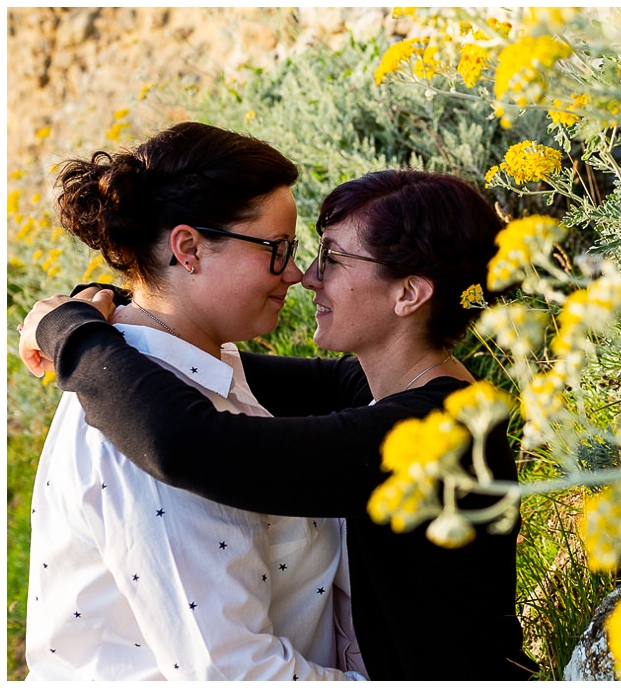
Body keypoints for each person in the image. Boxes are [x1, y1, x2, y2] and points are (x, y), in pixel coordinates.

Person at [19, 169, 537, 680]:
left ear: (408, 295)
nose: (307, 275)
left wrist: (70, 335)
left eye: (332, 258)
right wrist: (118, 300)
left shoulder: (433, 435)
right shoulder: (384, 388)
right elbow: (185, 360)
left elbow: (191, 443)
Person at [19, 121, 365, 681]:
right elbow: (234, 672)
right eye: (277, 249)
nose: (297, 274)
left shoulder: (200, 363)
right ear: (189, 248)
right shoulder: (135, 418)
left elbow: (348, 384)